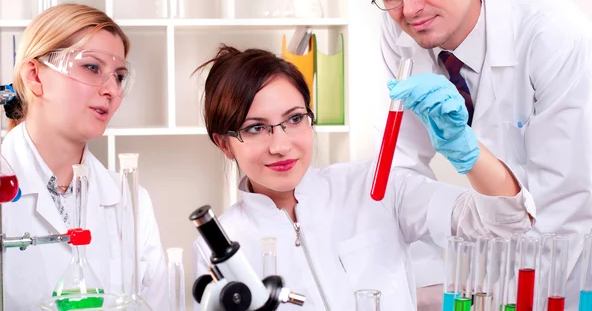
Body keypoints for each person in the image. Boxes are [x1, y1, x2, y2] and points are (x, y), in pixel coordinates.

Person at [191, 44, 534, 310]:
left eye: (295, 119)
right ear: (224, 143)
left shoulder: (376, 186)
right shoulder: (220, 246)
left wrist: (467, 150)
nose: (281, 145)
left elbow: (505, 222)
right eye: (255, 128)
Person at [368, 0, 592, 310]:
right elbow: (401, 178)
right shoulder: (399, 32)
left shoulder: (551, 33)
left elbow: (564, 206)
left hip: (558, 276)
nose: (410, 8)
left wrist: (508, 296)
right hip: (470, 279)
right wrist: (427, 291)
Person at [0, 3, 168, 309]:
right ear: (35, 76)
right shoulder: (0, 191)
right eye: (92, 67)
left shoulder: (130, 200)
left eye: (120, 76)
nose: (112, 89)